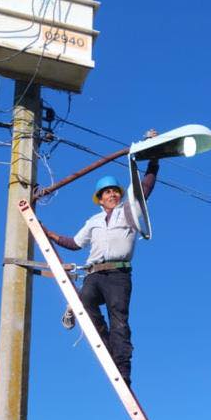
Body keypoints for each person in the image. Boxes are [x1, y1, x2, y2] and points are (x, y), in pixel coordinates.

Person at [41, 137, 160, 387]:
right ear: (100, 198)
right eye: (107, 192)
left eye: (115, 191)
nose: (112, 194)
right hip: (95, 274)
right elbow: (75, 243)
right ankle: (107, 350)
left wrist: (154, 159)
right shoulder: (93, 221)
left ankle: (123, 368)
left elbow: (145, 189)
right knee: (84, 303)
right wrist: (50, 234)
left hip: (118, 274)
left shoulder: (129, 211)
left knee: (119, 319)